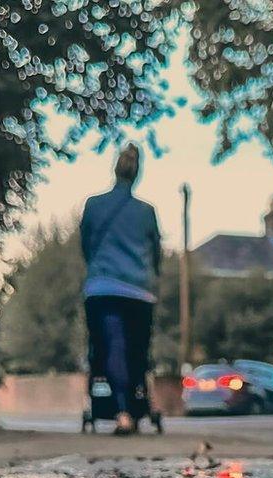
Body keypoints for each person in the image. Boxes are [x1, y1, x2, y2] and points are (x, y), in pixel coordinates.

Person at [80, 143, 162, 435]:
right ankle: (135, 406)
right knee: (137, 350)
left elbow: (87, 247)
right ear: (137, 173)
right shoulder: (146, 212)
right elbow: (155, 252)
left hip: (102, 288)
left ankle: (121, 409)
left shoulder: (93, 205)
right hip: (139, 291)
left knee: (110, 346)